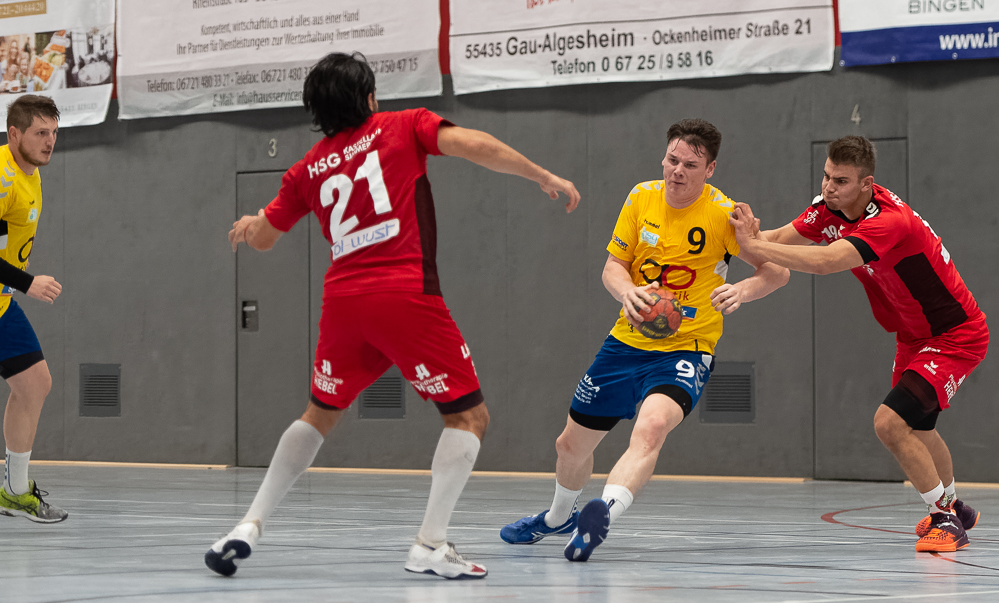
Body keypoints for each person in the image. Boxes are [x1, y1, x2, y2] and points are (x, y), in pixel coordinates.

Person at [204, 52, 580, 579]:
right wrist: (541, 174)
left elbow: (264, 239)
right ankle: (430, 544)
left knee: (319, 413)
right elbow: (474, 144)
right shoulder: (403, 126)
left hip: (343, 304)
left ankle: (248, 525)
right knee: (468, 417)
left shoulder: (306, 169)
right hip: (404, 295)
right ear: (369, 97)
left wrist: (252, 223)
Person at [500, 119, 789, 562]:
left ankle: (601, 515)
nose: (677, 171)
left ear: (710, 169)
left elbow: (778, 271)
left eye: (690, 165)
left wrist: (742, 290)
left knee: (651, 428)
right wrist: (627, 292)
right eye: (672, 160)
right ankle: (558, 518)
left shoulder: (725, 215)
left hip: (687, 347)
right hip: (626, 343)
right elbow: (613, 267)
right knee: (570, 446)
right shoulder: (640, 197)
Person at [729, 136, 987, 553]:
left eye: (841, 181)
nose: (829, 187)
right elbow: (776, 243)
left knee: (890, 424)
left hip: (955, 335)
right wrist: (729, 239)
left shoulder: (890, 221)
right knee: (919, 428)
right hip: (914, 336)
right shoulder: (826, 208)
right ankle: (955, 506)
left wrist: (754, 244)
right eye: (827, 176)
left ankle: (945, 521)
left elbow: (827, 261)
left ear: (867, 183)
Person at [0, 95, 66, 523]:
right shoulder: (2, 176)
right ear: (15, 134)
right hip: (8, 293)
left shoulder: (30, 171)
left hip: (1, 302)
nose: (50, 141)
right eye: (41, 132)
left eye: (54, 133)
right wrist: (28, 282)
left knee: (34, 383)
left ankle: (14, 491)